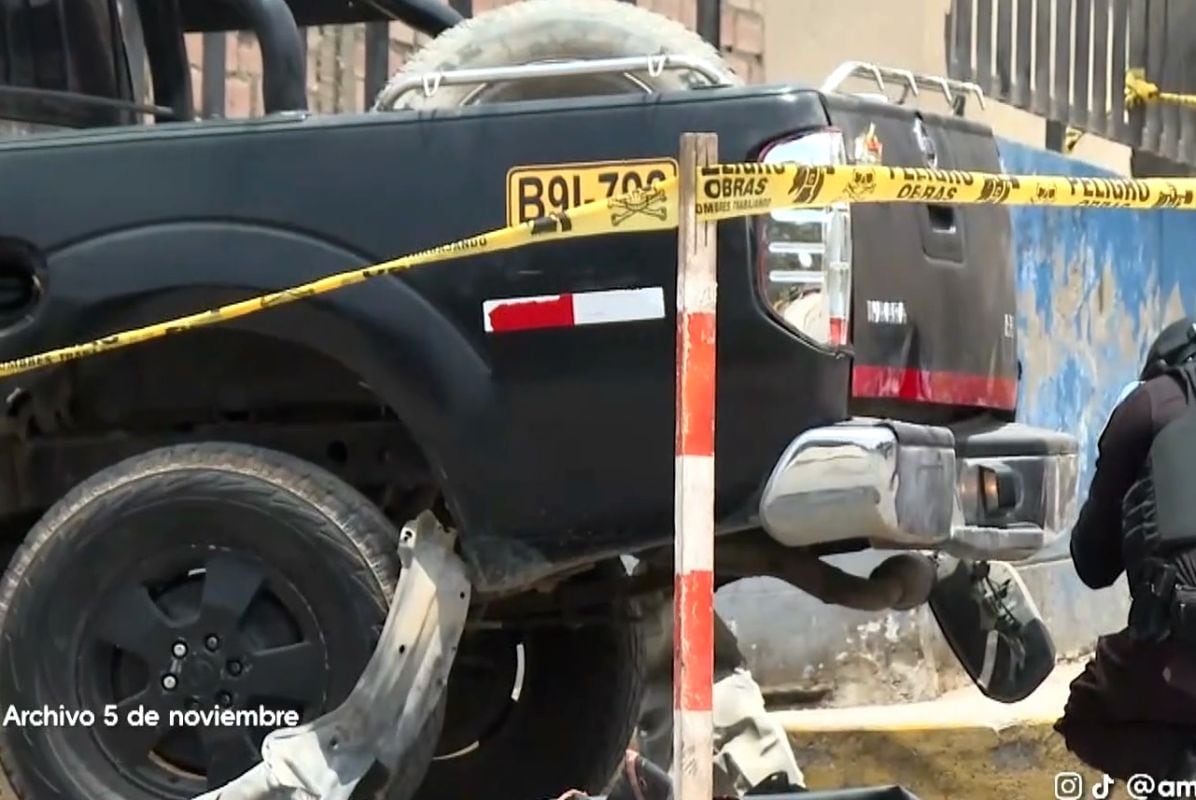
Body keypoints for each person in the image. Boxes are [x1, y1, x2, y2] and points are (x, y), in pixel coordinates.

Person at [1056, 316, 1196, 786]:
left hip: (1175, 649)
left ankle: (1181, 777)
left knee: (1085, 711)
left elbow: (1092, 565)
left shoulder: (1148, 406)